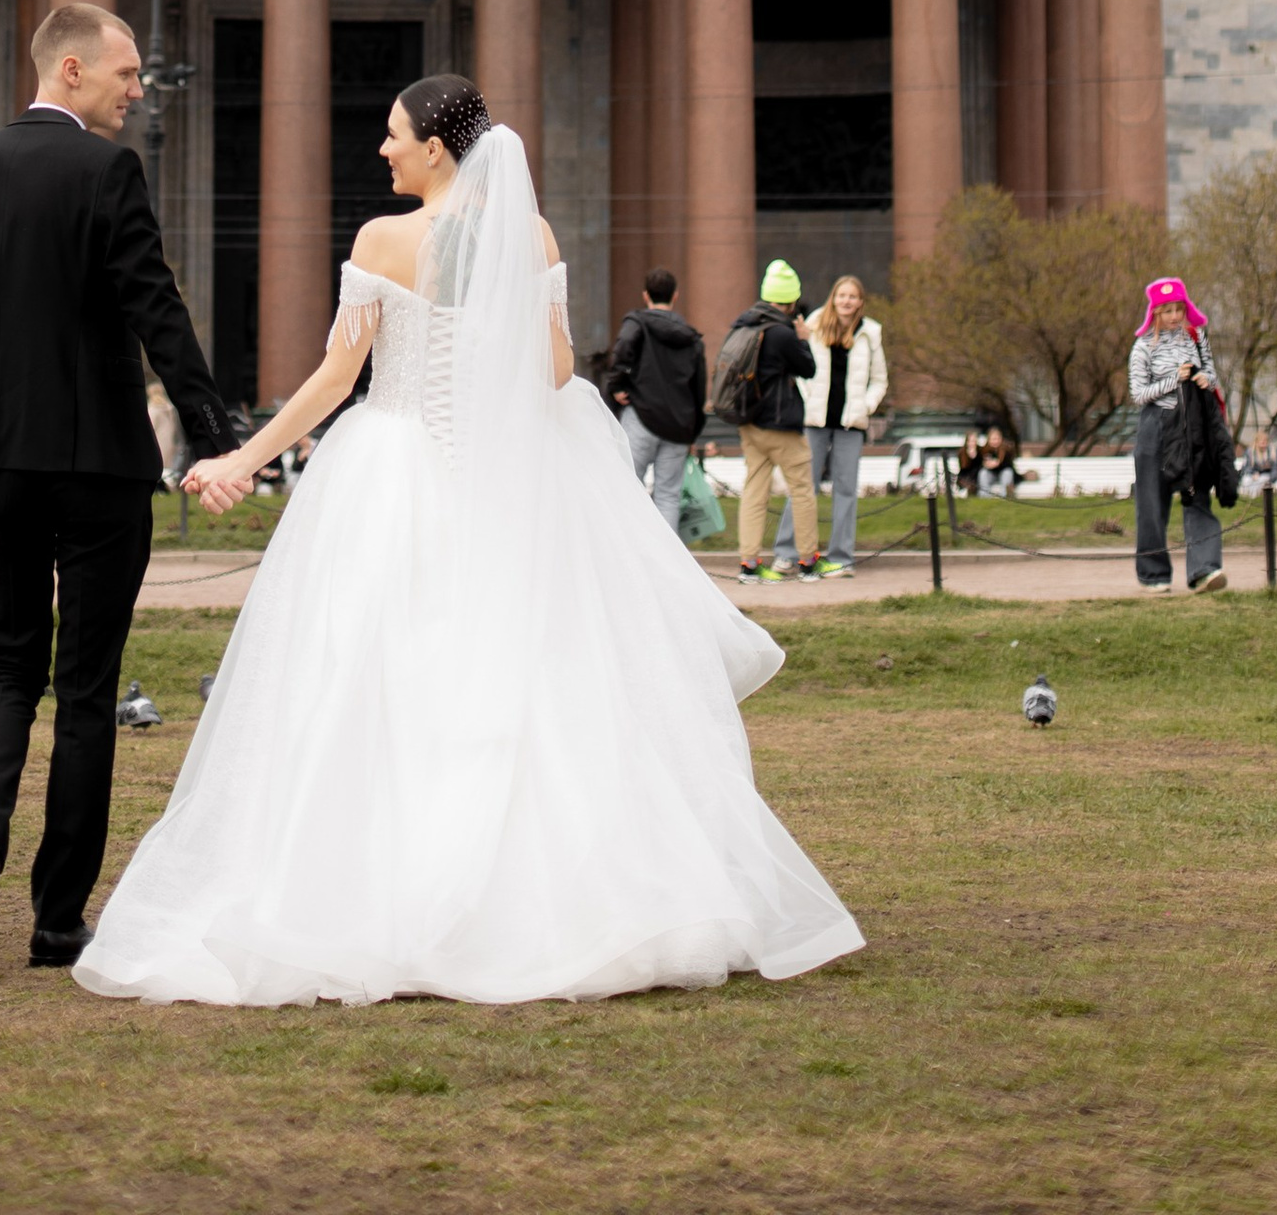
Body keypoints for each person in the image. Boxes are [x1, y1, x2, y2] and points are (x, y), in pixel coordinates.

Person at [75, 76, 861, 1004]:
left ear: (438, 149)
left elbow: (338, 378)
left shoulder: (382, 241)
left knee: (373, 672)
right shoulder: (529, 239)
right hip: (501, 481)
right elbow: (559, 369)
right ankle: (557, 901)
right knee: (524, 678)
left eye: (394, 134)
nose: (383, 149)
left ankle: (371, 895)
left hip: (393, 466)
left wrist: (243, 456)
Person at [0, 3, 235, 967]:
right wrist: (214, 434)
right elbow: (156, 311)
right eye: (129, 75)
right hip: (98, 464)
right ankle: (57, 918)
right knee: (86, 691)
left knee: (6, 666)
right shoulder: (106, 172)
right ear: (75, 69)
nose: (140, 91)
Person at [1129, 277, 1230, 592]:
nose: (1174, 316)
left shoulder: (1197, 337)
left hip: (1193, 426)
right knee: (1152, 501)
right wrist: (1174, 379)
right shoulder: (1143, 345)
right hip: (1157, 425)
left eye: (1178, 309)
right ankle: (1154, 574)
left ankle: (1204, 570)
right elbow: (1139, 393)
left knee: (1198, 495)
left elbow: (1211, 373)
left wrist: (1204, 380)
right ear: (1155, 312)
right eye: (1167, 310)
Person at [731, 260, 822, 583]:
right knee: (801, 490)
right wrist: (803, 338)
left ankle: (749, 565)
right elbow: (808, 368)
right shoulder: (783, 333)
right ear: (790, 301)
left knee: (755, 492)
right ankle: (808, 562)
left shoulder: (744, 325)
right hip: (782, 425)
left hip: (750, 423)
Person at [606, 266, 707, 532]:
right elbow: (699, 387)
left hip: (640, 416)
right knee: (669, 496)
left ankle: (629, 555)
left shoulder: (636, 324)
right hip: (678, 427)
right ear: (675, 296)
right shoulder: (692, 338)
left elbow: (622, 352)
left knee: (628, 486)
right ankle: (667, 565)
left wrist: (616, 386)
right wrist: (693, 431)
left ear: (645, 295)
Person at [803, 275, 886, 569]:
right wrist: (808, 395)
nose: (846, 301)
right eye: (841, 295)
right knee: (803, 487)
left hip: (851, 424)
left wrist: (866, 406)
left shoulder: (870, 333)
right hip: (815, 420)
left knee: (846, 489)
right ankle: (792, 554)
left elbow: (879, 380)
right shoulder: (813, 325)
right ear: (833, 298)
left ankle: (840, 558)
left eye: (852, 296)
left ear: (860, 302)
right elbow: (801, 369)